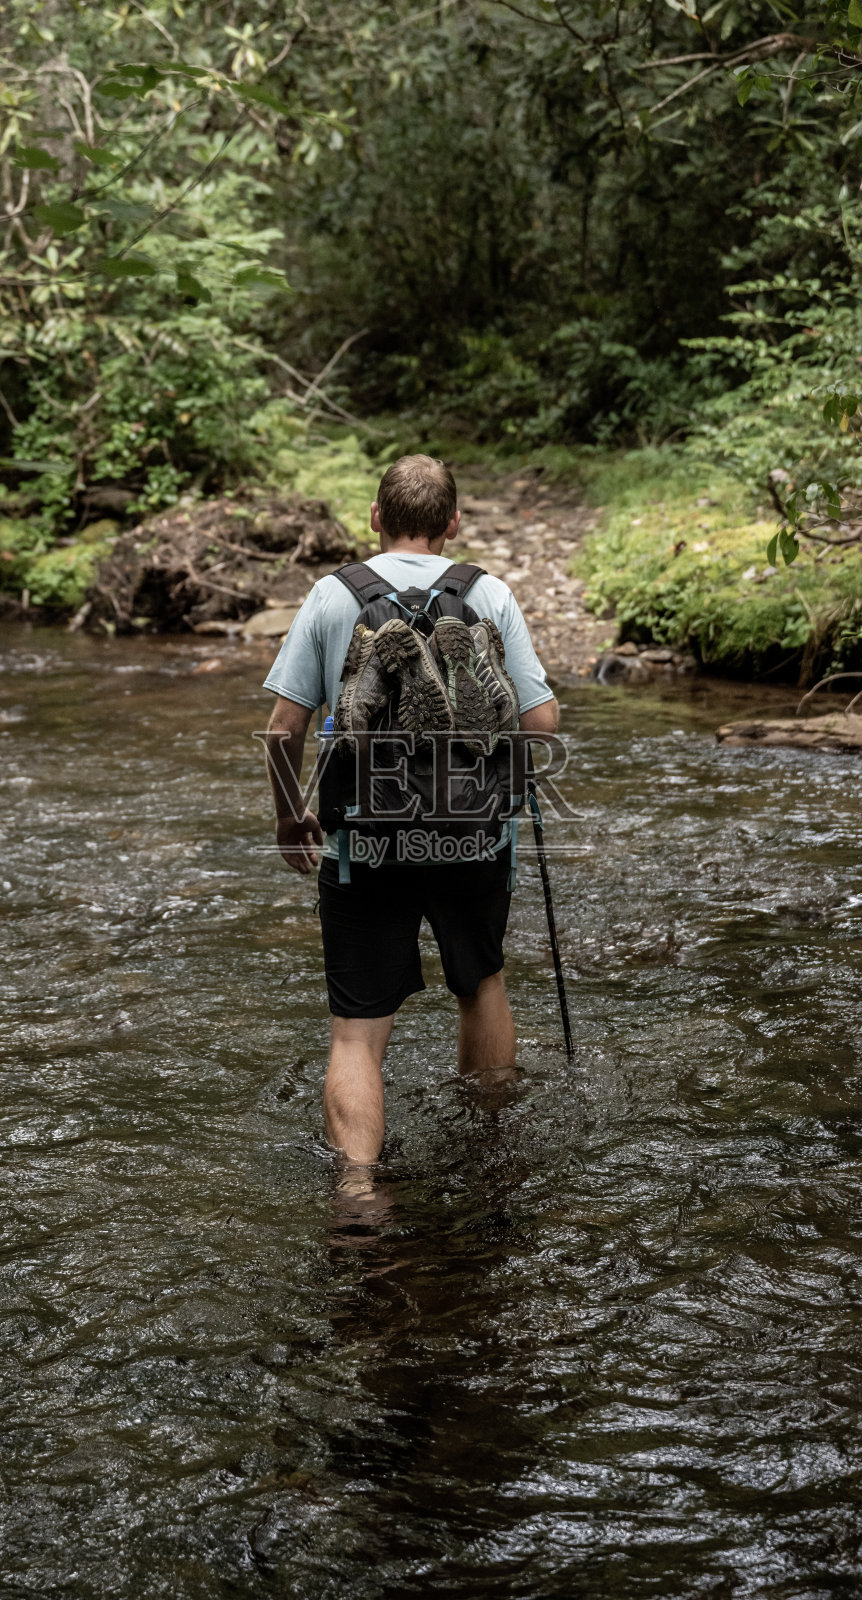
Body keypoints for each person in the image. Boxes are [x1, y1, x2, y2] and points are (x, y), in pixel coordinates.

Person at [263, 454, 559, 1168]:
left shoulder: (333, 596)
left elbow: (282, 731)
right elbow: (542, 723)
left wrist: (288, 816)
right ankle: (488, 1156)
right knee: (480, 985)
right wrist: (504, 794)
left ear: (374, 518)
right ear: (452, 523)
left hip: (365, 843)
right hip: (471, 834)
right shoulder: (488, 593)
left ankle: (359, 1195)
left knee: (357, 1032)